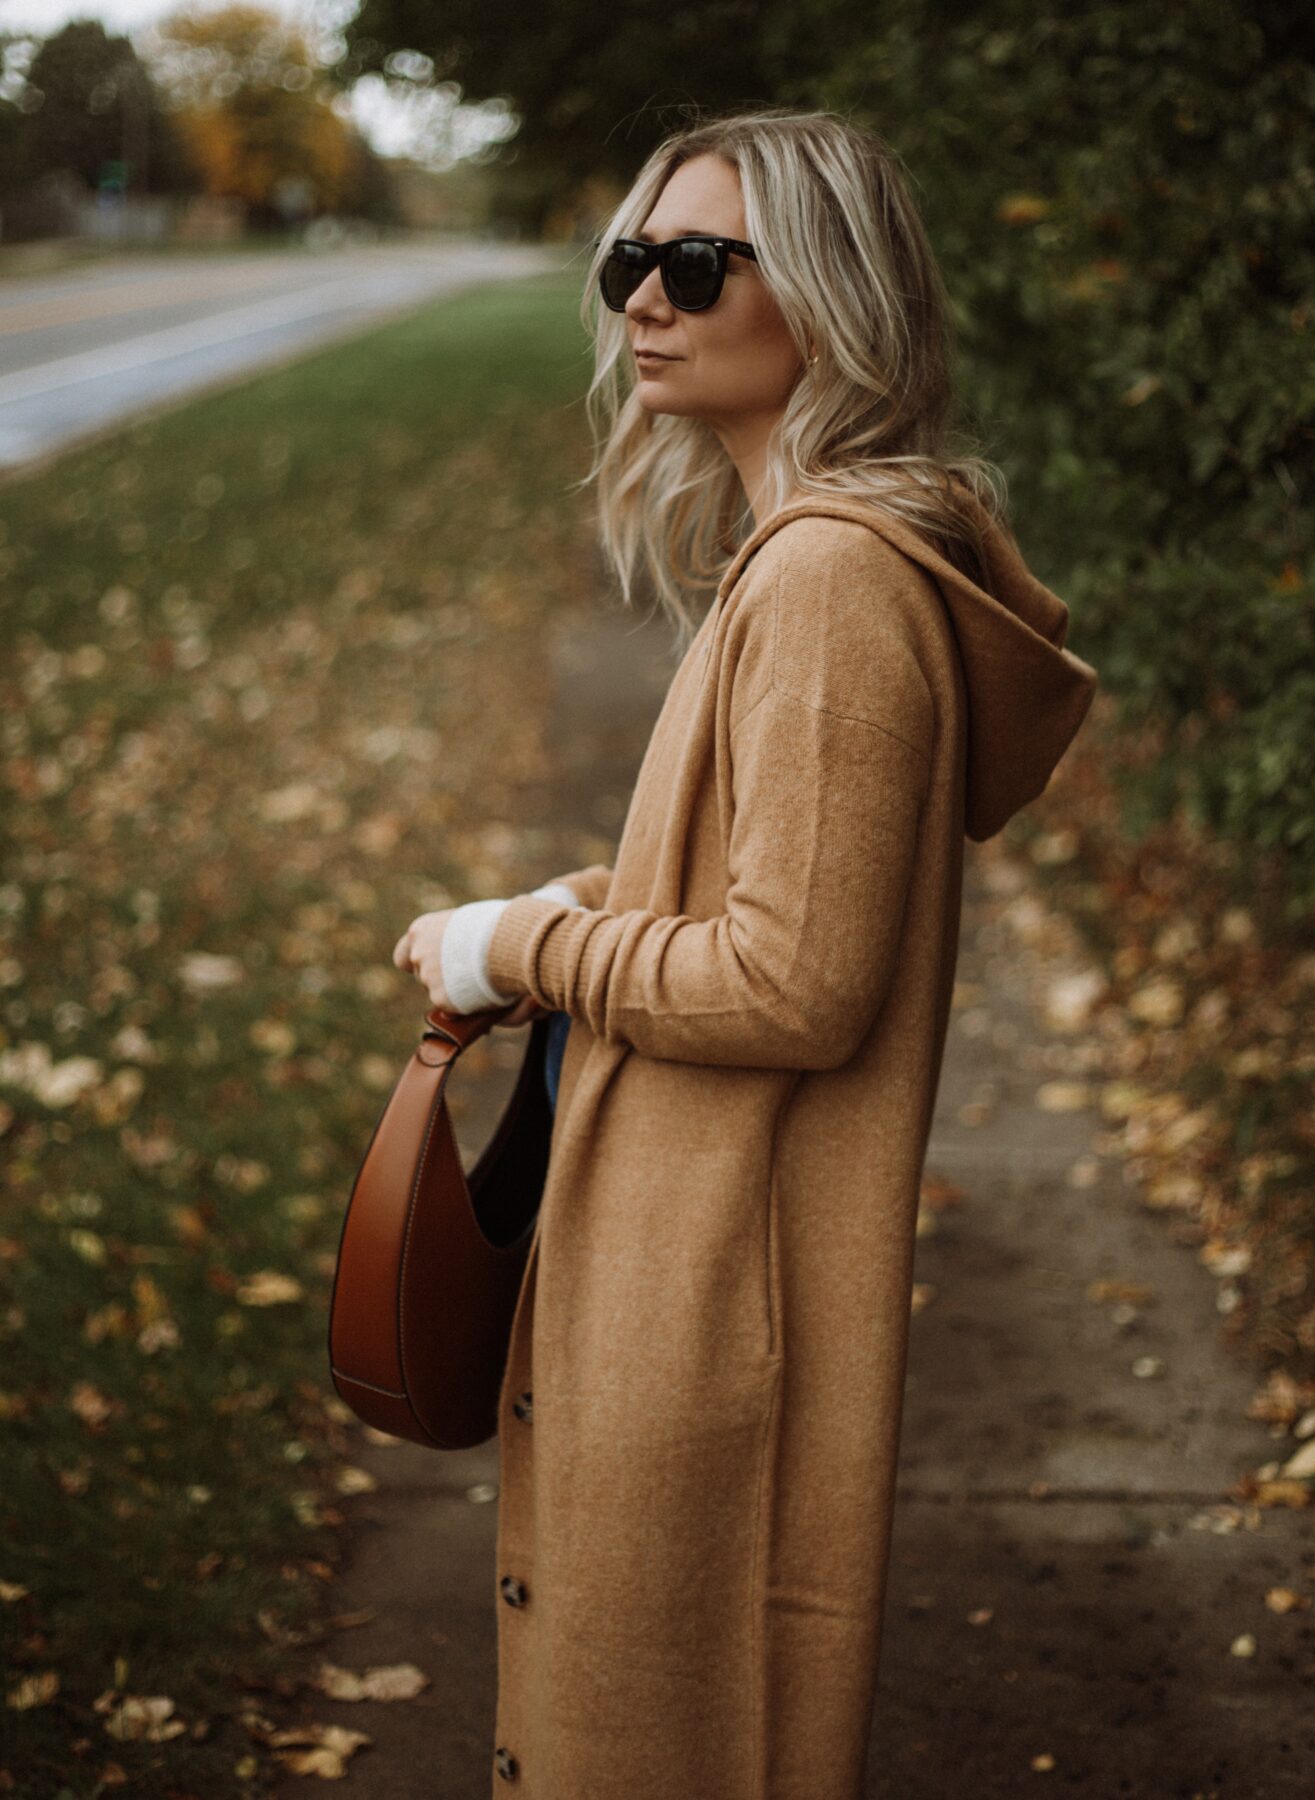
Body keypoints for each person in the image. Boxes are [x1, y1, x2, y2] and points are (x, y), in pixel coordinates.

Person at [391, 106, 1098, 1800]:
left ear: (835, 298)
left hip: (718, 1294)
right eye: (630, 260)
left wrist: (532, 947)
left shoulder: (835, 585)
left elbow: (794, 981)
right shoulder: (801, 563)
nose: (645, 297)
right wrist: (597, 894)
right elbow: (765, 889)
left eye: (696, 263)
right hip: (690, 1264)